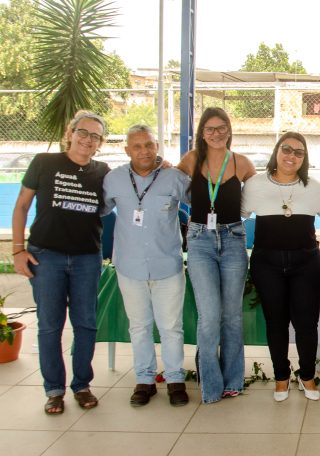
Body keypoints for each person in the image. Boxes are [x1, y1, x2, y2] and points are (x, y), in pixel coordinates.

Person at [12, 111, 109, 414]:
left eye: (95, 136)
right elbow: (22, 205)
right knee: (50, 326)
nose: (88, 139)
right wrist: (17, 250)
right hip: (46, 256)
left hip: (87, 258)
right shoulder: (44, 163)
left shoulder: (103, 171)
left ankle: (82, 385)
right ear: (70, 133)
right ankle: (54, 390)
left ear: (100, 143)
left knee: (86, 324)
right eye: (83, 132)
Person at [241, 131, 320, 402]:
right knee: (275, 323)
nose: (291, 156)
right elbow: (235, 215)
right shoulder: (255, 185)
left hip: (305, 263)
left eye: (299, 152)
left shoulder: (313, 187)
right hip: (267, 263)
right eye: (286, 149)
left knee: (306, 323)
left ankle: (307, 375)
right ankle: (281, 376)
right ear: (277, 151)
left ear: (304, 158)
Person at [102, 125, 190, 407]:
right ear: (127, 150)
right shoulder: (113, 179)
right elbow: (100, 210)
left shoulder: (174, 177)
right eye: (137, 146)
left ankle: (175, 379)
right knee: (139, 326)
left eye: (149, 145)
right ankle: (145, 380)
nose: (144, 151)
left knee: (171, 326)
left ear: (157, 147)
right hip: (129, 266)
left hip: (168, 266)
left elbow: (202, 202)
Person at [177, 107, 256, 404]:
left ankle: (233, 380)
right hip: (200, 241)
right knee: (209, 316)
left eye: (221, 127)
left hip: (233, 240)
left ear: (229, 130)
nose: (216, 133)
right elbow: (169, 185)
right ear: (202, 133)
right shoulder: (191, 160)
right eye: (210, 129)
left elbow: (262, 193)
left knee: (232, 316)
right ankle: (211, 384)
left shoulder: (241, 163)